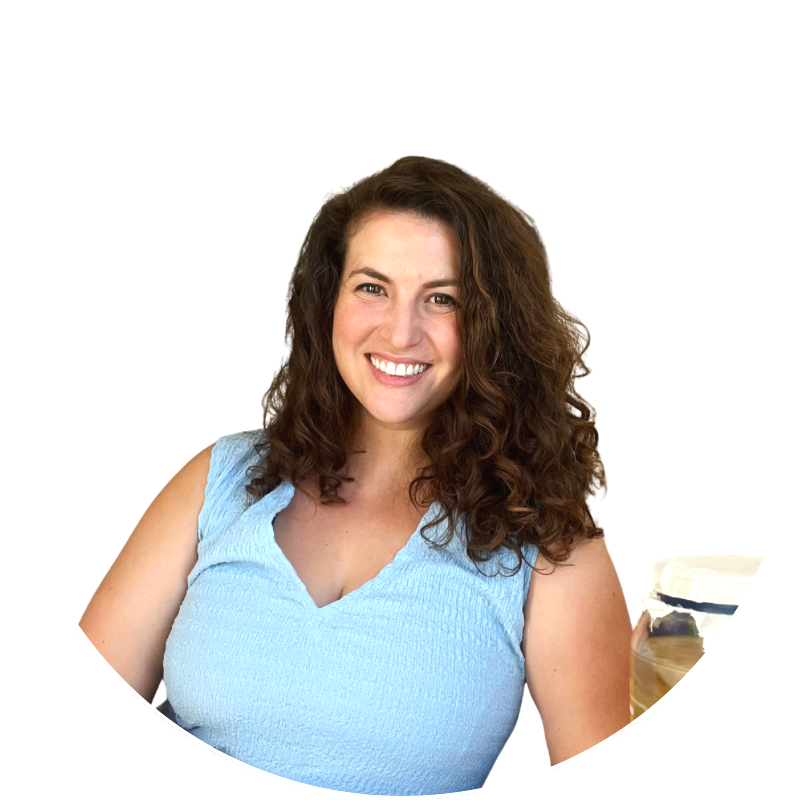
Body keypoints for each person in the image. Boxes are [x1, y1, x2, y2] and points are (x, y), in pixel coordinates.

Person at [79, 155, 631, 795]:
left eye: (443, 299)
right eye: (372, 287)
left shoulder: (546, 543)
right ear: (327, 302)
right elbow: (77, 725)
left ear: (494, 326)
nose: (400, 332)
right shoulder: (223, 479)